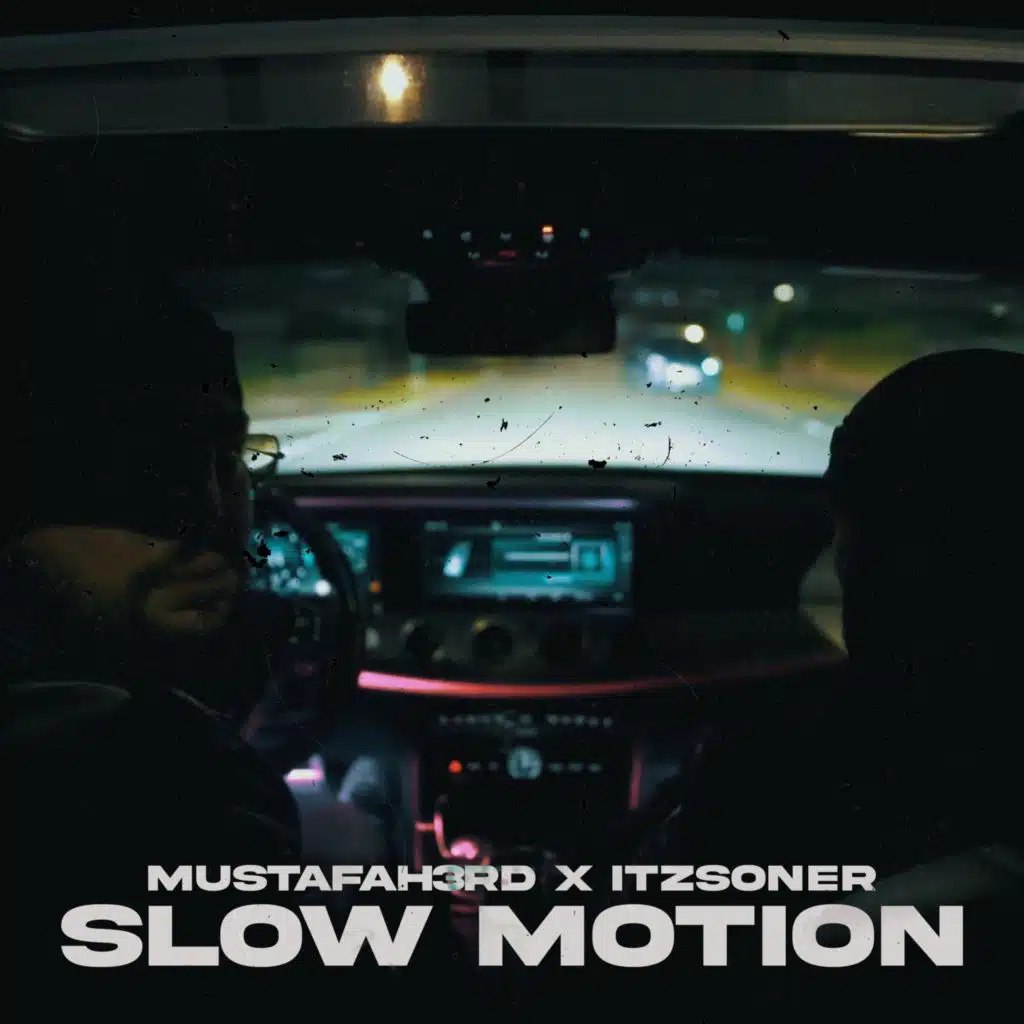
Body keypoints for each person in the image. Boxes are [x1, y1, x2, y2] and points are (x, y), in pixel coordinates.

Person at [0, 259, 401, 1001]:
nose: (215, 511)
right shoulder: (181, 779)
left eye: (227, 458)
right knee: (354, 828)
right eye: (146, 470)